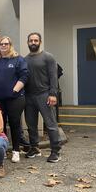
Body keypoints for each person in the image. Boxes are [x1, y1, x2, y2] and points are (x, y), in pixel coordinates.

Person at [0, 37, 29, 163]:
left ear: (10, 45)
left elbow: (24, 75)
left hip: (15, 98)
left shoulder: (18, 59)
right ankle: (3, 150)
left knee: (14, 124)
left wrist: (15, 90)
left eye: (6, 44)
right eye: (1, 44)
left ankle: (16, 150)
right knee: (0, 126)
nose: (3, 46)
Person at [24, 32, 62, 163]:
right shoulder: (25, 59)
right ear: (27, 42)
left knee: (51, 124)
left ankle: (55, 151)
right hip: (29, 96)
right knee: (31, 125)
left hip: (45, 95)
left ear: (40, 42)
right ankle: (34, 148)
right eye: (31, 40)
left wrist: (53, 94)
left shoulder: (48, 57)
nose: (33, 43)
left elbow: (53, 76)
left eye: (36, 40)